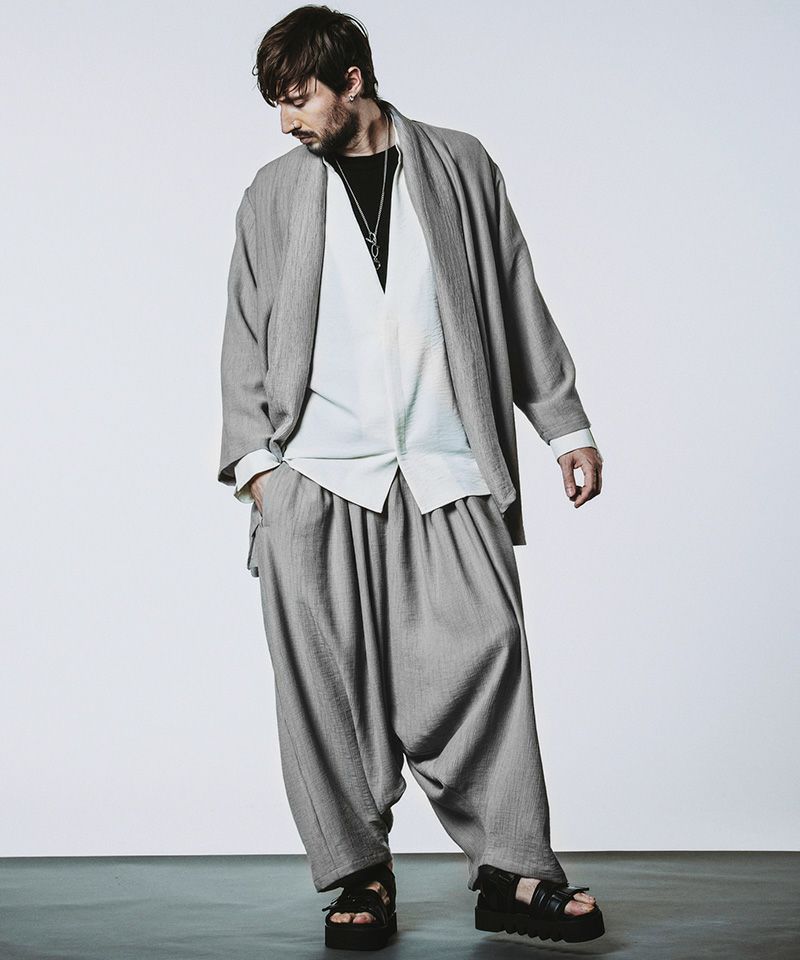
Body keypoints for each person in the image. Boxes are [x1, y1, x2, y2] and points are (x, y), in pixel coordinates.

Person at [217, 4, 605, 950]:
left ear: (352, 81)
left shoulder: (461, 164)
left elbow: (514, 293)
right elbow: (244, 327)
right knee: (328, 686)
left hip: (445, 463)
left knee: (488, 651)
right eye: (277, 104)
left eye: (298, 98)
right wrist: (260, 471)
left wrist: (564, 425)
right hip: (316, 476)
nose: (286, 121)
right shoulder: (273, 192)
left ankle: (512, 872)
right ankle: (360, 873)